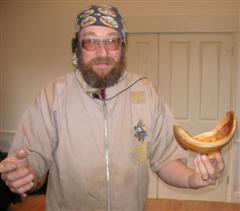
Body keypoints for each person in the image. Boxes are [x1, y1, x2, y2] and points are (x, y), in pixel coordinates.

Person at [0, 4, 224, 211]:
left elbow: (166, 159)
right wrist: (26, 173)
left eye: (111, 41)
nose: (103, 53)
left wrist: (194, 179)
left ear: (122, 47)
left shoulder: (145, 93)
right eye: (91, 41)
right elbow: (33, 160)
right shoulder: (53, 96)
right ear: (76, 48)